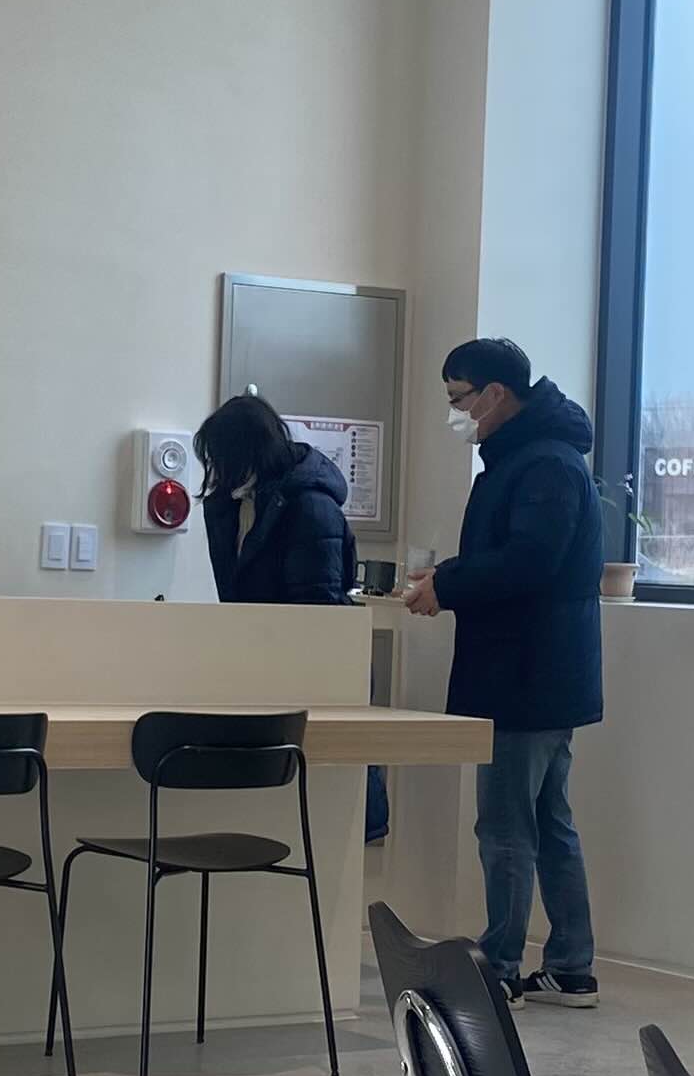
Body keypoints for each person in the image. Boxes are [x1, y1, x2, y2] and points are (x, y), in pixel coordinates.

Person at [403, 336, 604, 1004]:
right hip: (539, 672)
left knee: (507, 826)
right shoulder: (531, 457)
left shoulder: (543, 464)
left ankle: (500, 968)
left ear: (496, 394)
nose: (456, 413)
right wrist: (449, 577)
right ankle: (570, 964)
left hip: (527, 674)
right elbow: (518, 556)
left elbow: (529, 562)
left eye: (459, 398)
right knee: (547, 821)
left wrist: (449, 585)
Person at [195, 393, 356, 605]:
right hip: (255, 624)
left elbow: (318, 607)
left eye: (222, 458)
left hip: (291, 625)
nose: (217, 469)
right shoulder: (236, 504)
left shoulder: (312, 508)